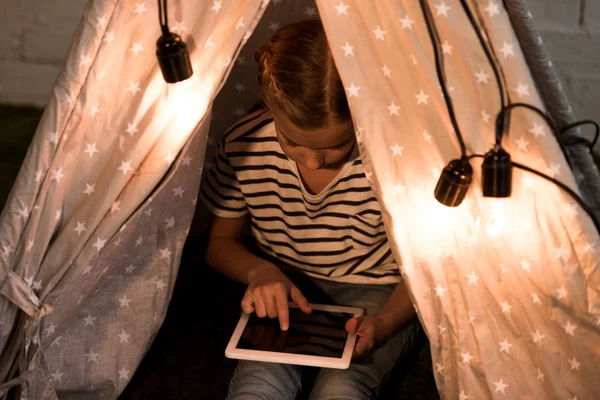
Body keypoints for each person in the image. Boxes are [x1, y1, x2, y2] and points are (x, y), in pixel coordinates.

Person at [201, 19, 420, 399]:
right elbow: (219, 241)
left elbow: (428, 265)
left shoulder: (393, 157)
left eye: (336, 146)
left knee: (342, 386)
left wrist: (386, 322)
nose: (314, 163)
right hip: (286, 286)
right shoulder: (243, 145)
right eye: (293, 142)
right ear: (270, 108)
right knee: (259, 383)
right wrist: (259, 269)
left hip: (380, 289)